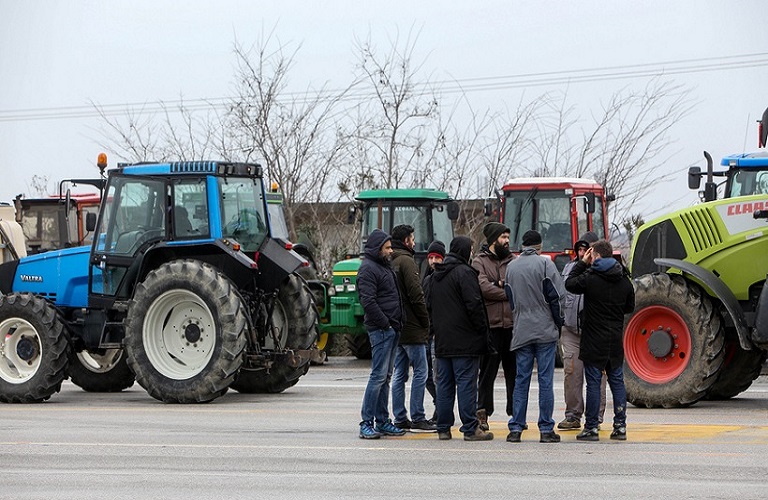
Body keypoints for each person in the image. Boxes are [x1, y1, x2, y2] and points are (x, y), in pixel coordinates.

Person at [425, 236, 494, 442]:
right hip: (465, 340)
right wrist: (483, 331)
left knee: (444, 385)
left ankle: (443, 427)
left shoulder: (434, 277)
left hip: (442, 339)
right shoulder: (465, 273)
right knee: (466, 384)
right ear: (465, 251)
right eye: (470, 249)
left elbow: (428, 308)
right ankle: (470, 428)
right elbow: (474, 306)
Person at [566, 239, 635, 442]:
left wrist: (582, 263)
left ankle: (591, 427)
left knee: (594, 383)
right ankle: (620, 425)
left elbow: (570, 283)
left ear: (594, 255)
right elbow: (629, 307)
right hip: (614, 338)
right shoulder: (624, 280)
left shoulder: (591, 278)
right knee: (617, 381)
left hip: (593, 338)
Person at [504, 230, 565, 444]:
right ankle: (546, 428)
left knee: (521, 379)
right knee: (545, 380)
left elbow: (510, 298)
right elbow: (557, 296)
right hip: (544, 329)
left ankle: (516, 428)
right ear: (539, 246)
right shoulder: (546, 264)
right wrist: (558, 323)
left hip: (521, 329)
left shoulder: (511, 267)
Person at [357, 228, 407, 439]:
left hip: (392, 328)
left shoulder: (384, 267)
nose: (391, 251)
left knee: (385, 377)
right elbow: (367, 301)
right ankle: (366, 422)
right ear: (377, 249)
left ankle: (383, 420)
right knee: (377, 376)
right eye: (387, 248)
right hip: (381, 330)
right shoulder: (368, 269)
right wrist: (385, 324)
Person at [558, 231, 607, 431]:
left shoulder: (603, 271)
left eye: (586, 249)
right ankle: (572, 415)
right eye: (579, 249)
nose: (581, 253)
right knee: (572, 373)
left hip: (594, 333)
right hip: (571, 331)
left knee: (597, 377)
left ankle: (595, 417)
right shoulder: (569, 269)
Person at [389, 225, 435, 432]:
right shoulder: (407, 262)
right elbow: (416, 295)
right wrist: (426, 321)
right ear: (406, 241)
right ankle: (418, 416)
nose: (415, 243)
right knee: (421, 372)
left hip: (397, 326)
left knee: (399, 373)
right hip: (413, 327)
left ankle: (400, 416)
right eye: (413, 239)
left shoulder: (390, 261)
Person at [472, 222, 516, 431]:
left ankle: (516, 413)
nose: (507, 241)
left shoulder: (513, 261)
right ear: (493, 240)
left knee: (513, 371)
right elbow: (482, 288)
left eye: (508, 237)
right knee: (487, 373)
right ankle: (482, 413)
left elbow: (517, 286)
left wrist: (498, 284)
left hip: (512, 326)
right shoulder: (479, 262)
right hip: (491, 326)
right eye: (503, 237)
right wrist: (505, 290)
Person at [423, 240, 446, 423]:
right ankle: (440, 404)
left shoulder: (444, 279)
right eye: (430, 257)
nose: (433, 261)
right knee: (426, 375)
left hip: (439, 333)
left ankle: (441, 410)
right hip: (427, 332)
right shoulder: (426, 279)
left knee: (437, 375)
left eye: (437, 257)